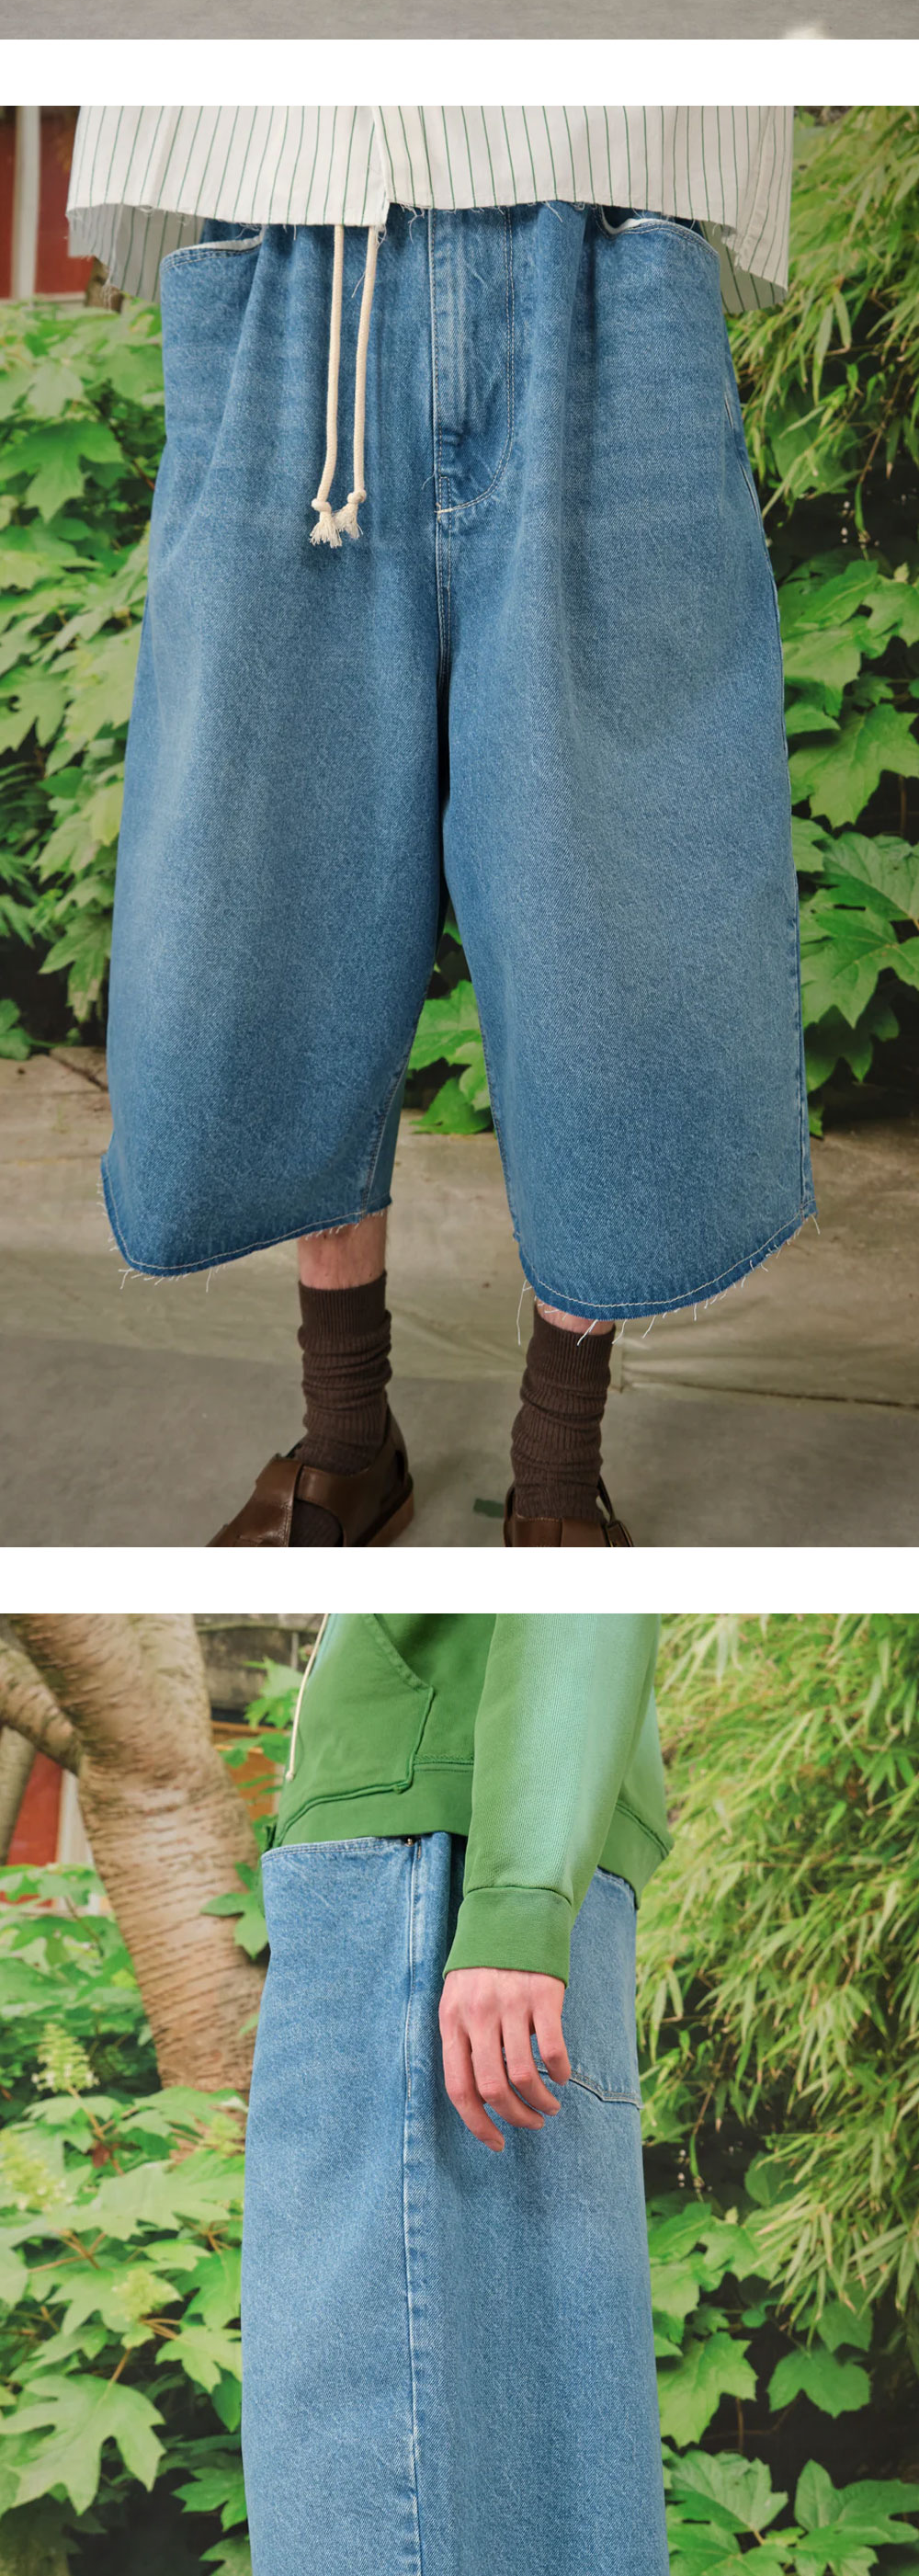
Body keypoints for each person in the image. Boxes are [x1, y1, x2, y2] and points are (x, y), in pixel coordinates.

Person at [68, 97, 813, 1554]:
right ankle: (347, 1433)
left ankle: (558, 1456)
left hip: (600, 229)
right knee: (275, 886)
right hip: (298, 240)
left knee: (608, 899)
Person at [241, 1608, 685, 2576]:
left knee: (403, 2404)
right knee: (518, 2400)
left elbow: (573, 1595)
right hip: (454, 1842)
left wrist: (512, 1903)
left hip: (437, 1853)